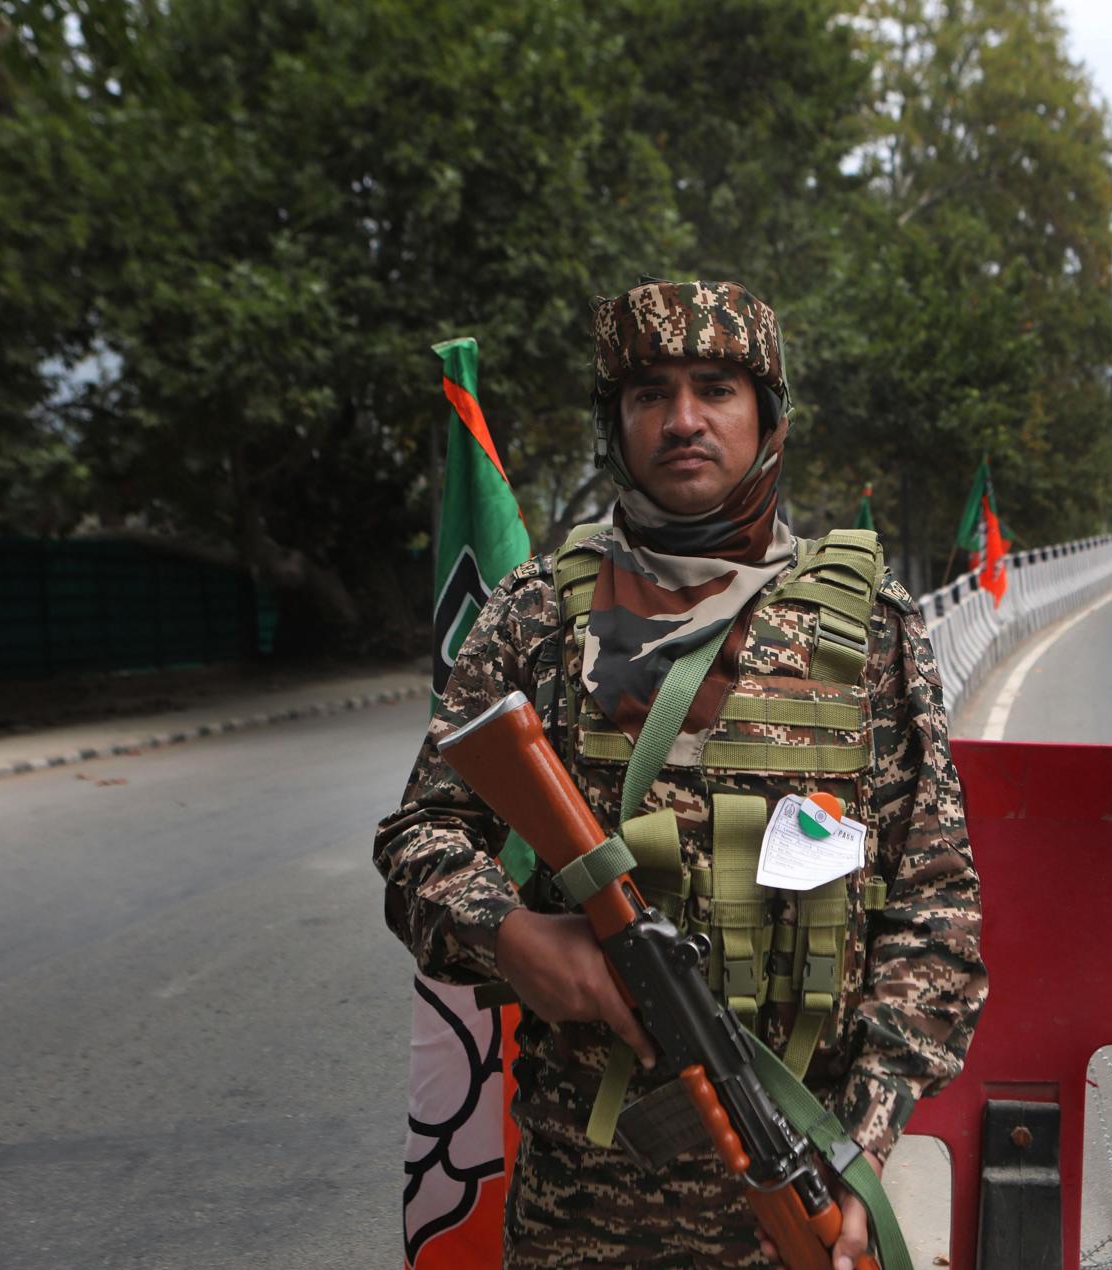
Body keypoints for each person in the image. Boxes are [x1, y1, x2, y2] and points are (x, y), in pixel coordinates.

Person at [374, 279, 986, 1269]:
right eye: (650, 392)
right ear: (616, 422)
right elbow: (420, 838)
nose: (685, 418)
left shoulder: (869, 627)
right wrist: (514, 936)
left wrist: (858, 1149)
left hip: (798, 1188)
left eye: (717, 387)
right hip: (581, 1207)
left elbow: (937, 915)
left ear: (767, 414)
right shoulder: (540, 615)